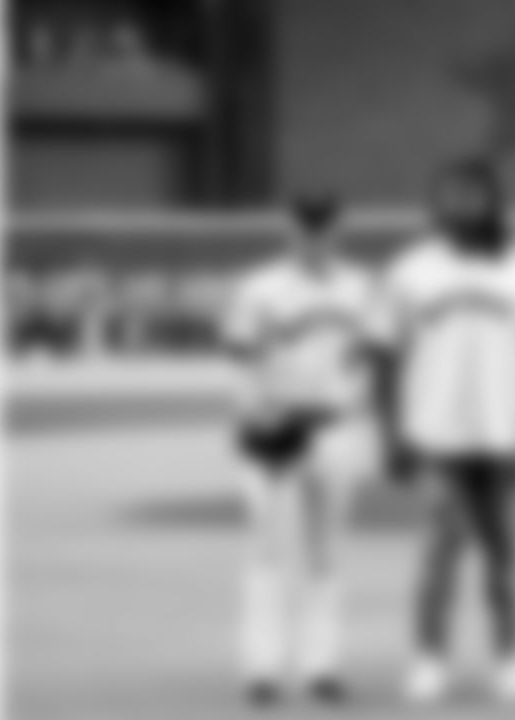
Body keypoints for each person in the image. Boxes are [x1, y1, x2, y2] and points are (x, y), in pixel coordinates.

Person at [381, 159, 515, 704]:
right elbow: (385, 355)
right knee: (441, 548)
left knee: (505, 551)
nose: (461, 206)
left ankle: (512, 657)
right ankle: (428, 657)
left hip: (505, 429)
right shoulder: (412, 270)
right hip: (437, 431)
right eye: (450, 196)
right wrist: (390, 431)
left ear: (494, 201)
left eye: (473, 195)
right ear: (435, 205)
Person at [223, 194, 386, 706]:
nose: (314, 240)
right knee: (267, 549)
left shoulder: (362, 288)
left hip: (337, 427)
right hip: (274, 426)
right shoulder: (259, 289)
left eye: (324, 231)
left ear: (339, 233)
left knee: (327, 552)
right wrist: (253, 418)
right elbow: (239, 357)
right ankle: (262, 669)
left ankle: (323, 666)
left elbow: (377, 357)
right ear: (288, 232)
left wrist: (364, 411)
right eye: (304, 230)